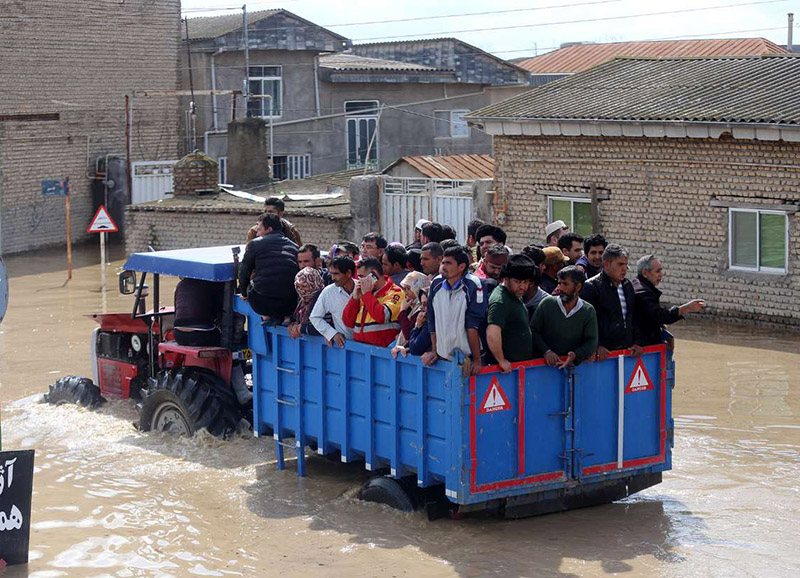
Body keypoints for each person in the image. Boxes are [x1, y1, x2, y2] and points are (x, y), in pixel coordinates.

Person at [423, 246, 486, 374]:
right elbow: (431, 319)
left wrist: (477, 360)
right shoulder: (436, 284)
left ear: (461, 267)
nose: (443, 267)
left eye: (448, 263)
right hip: (443, 357)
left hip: (468, 358)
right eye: (443, 263)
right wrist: (435, 350)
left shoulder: (474, 285)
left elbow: (473, 324)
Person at [580, 244, 643, 360]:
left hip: (626, 352)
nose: (624, 269)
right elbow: (583, 323)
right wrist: (596, 346)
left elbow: (634, 317)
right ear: (606, 264)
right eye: (620, 264)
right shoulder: (591, 287)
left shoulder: (627, 286)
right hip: (603, 355)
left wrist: (638, 342)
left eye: (625, 264)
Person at [531, 266, 598, 369]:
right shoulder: (547, 304)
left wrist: (575, 355)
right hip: (544, 368)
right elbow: (533, 330)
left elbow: (591, 342)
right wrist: (546, 351)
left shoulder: (588, 311)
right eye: (559, 283)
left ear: (578, 287)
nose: (560, 288)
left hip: (573, 368)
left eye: (565, 284)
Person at [633, 254, 705, 347]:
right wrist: (685, 309)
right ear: (645, 273)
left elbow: (648, 316)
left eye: (661, 270)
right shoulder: (643, 291)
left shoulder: (636, 284)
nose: (661, 274)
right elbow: (660, 316)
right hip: (643, 347)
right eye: (657, 271)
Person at [239, 213, 298, 324]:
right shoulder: (294, 247)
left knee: (252, 285)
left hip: (262, 304)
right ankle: (286, 318)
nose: (257, 233)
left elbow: (243, 272)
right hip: (290, 305)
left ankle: (266, 317)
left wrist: (244, 294)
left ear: (269, 229)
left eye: (259, 230)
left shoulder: (255, 244)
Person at [487, 254, 536, 372]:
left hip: (519, 367)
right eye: (517, 281)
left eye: (526, 282)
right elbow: (492, 332)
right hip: (507, 371)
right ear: (506, 278)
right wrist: (501, 361)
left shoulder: (515, 295)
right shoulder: (500, 301)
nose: (522, 287)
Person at [342, 257, 404, 346]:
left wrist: (367, 295)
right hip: (362, 349)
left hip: (383, 352)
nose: (359, 281)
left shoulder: (395, 292)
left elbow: (382, 316)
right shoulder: (365, 293)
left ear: (374, 275)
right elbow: (348, 322)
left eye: (362, 277)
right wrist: (354, 300)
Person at [309, 256, 356, 347]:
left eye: (336, 274)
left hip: (367, 344)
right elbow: (315, 317)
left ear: (348, 273)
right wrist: (332, 334)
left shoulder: (363, 287)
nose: (333, 278)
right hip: (345, 346)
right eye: (331, 274)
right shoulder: (328, 292)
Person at [173, 278, 224, 346]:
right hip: (201, 335)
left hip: (178, 335)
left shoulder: (181, 284)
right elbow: (222, 309)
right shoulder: (214, 284)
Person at [391, 288, 431, 359]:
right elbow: (412, 342)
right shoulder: (421, 316)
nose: (421, 308)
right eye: (421, 304)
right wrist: (406, 347)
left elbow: (415, 347)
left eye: (425, 304)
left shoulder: (429, 320)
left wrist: (417, 326)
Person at [287, 267, 325, 338]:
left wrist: (301, 328)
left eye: (304, 286)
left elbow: (325, 327)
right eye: (298, 287)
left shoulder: (324, 299)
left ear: (314, 283)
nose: (301, 290)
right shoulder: (302, 302)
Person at [397, 271, 431, 344]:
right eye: (404, 289)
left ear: (417, 288)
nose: (406, 293)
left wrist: (402, 311)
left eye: (409, 289)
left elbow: (408, 335)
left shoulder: (421, 309)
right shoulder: (412, 306)